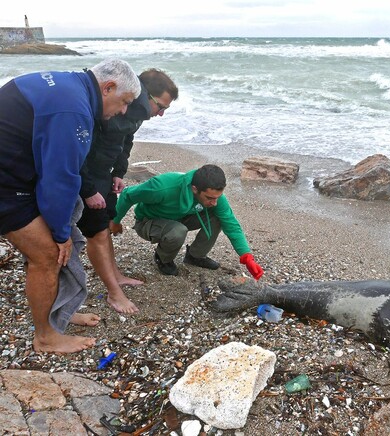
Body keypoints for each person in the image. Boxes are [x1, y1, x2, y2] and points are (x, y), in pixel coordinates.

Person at [0, 59, 141, 354]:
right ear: (108, 87)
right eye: (124, 102)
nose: (124, 111)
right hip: (6, 183)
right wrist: (61, 232)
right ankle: (45, 337)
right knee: (48, 254)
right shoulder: (73, 110)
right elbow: (60, 178)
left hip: (16, 171)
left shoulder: (69, 85)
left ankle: (58, 314)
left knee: (52, 248)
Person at [78, 69, 179, 314]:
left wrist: (118, 172)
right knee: (96, 233)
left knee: (106, 226)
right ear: (146, 95)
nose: (162, 114)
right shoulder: (111, 106)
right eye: (161, 106)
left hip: (104, 173)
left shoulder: (136, 113)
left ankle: (116, 275)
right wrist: (89, 189)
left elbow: (126, 141)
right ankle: (114, 294)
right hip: (87, 175)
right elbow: (78, 149)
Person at [110, 165, 264, 280]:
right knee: (178, 231)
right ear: (195, 189)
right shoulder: (162, 187)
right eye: (210, 198)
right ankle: (163, 259)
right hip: (148, 221)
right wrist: (115, 221)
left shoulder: (214, 197)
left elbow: (231, 223)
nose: (215, 202)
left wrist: (246, 256)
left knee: (218, 216)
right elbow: (127, 195)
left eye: (217, 197)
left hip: (181, 217)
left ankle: (195, 256)